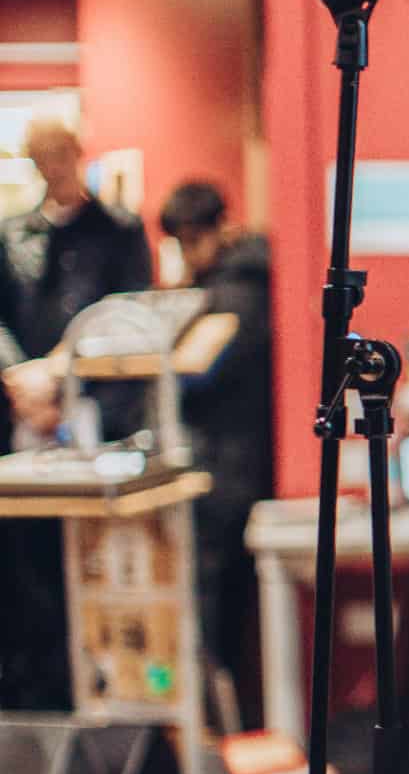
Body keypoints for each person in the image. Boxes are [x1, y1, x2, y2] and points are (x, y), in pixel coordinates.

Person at [0, 117, 151, 711]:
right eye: (42, 156)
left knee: (93, 556)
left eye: (60, 153)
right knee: (26, 561)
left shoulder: (117, 230)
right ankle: (38, 690)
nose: (53, 166)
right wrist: (21, 384)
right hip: (22, 415)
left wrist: (66, 379)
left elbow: (128, 316)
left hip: (96, 414)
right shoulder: (14, 233)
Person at [158, 182, 274, 707]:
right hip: (231, 467)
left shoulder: (237, 291)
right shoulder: (237, 283)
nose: (187, 254)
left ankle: (215, 724)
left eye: (190, 240)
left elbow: (193, 372)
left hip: (223, 472)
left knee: (213, 613)